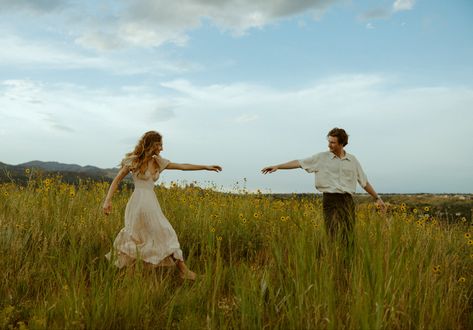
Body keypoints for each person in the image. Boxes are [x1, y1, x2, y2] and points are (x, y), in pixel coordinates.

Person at [103, 131, 222, 280]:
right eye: (160, 145)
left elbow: (182, 166)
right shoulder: (133, 161)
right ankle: (132, 274)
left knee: (165, 233)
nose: (162, 148)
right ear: (152, 144)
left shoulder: (158, 162)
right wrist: (107, 200)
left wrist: (205, 167)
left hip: (151, 204)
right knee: (140, 237)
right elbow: (117, 180)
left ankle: (182, 271)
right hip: (137, 204)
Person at [261, 127, 386, 247]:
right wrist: (278, 166)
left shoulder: (352, 160)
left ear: (342, 143)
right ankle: (331, 261)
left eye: (333, 142)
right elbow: (299, 163)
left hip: (347, 201)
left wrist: (377, 198)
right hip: (330, 200)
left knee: (348, 236)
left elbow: (364, 182)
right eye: (329, 141)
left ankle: (346, 264)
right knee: (332, 234)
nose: (329, 145)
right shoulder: (321, 158)